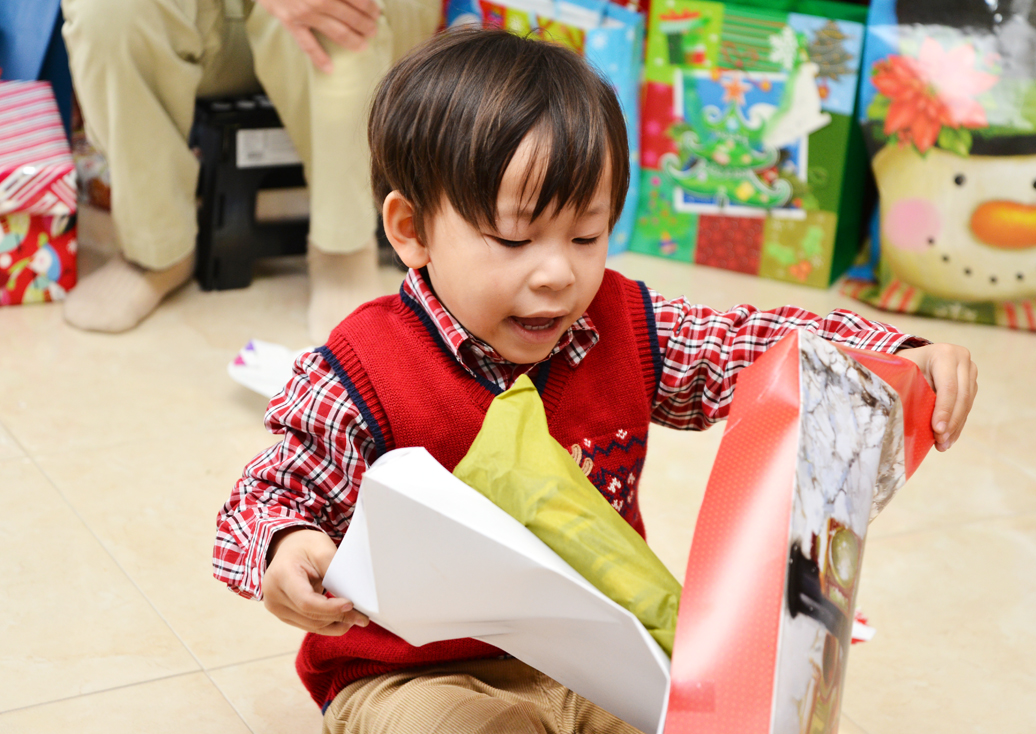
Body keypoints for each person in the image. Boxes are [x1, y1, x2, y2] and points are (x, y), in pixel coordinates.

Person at [213, 28, 978, 734]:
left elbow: (750, 344)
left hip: (600, 657)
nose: (558, 274)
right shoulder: (360, 369)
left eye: (586, 235)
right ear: (411, 230)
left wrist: (891, 347)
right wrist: (288, 549)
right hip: (418, 672)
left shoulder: (622, 323)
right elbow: (268, 492)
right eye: (514, 239)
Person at [60, 0, 440, 341]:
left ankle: (344, 252)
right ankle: (156, 249)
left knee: (337, 10)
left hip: (362, 23)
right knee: (107, 10)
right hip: (213, 27)